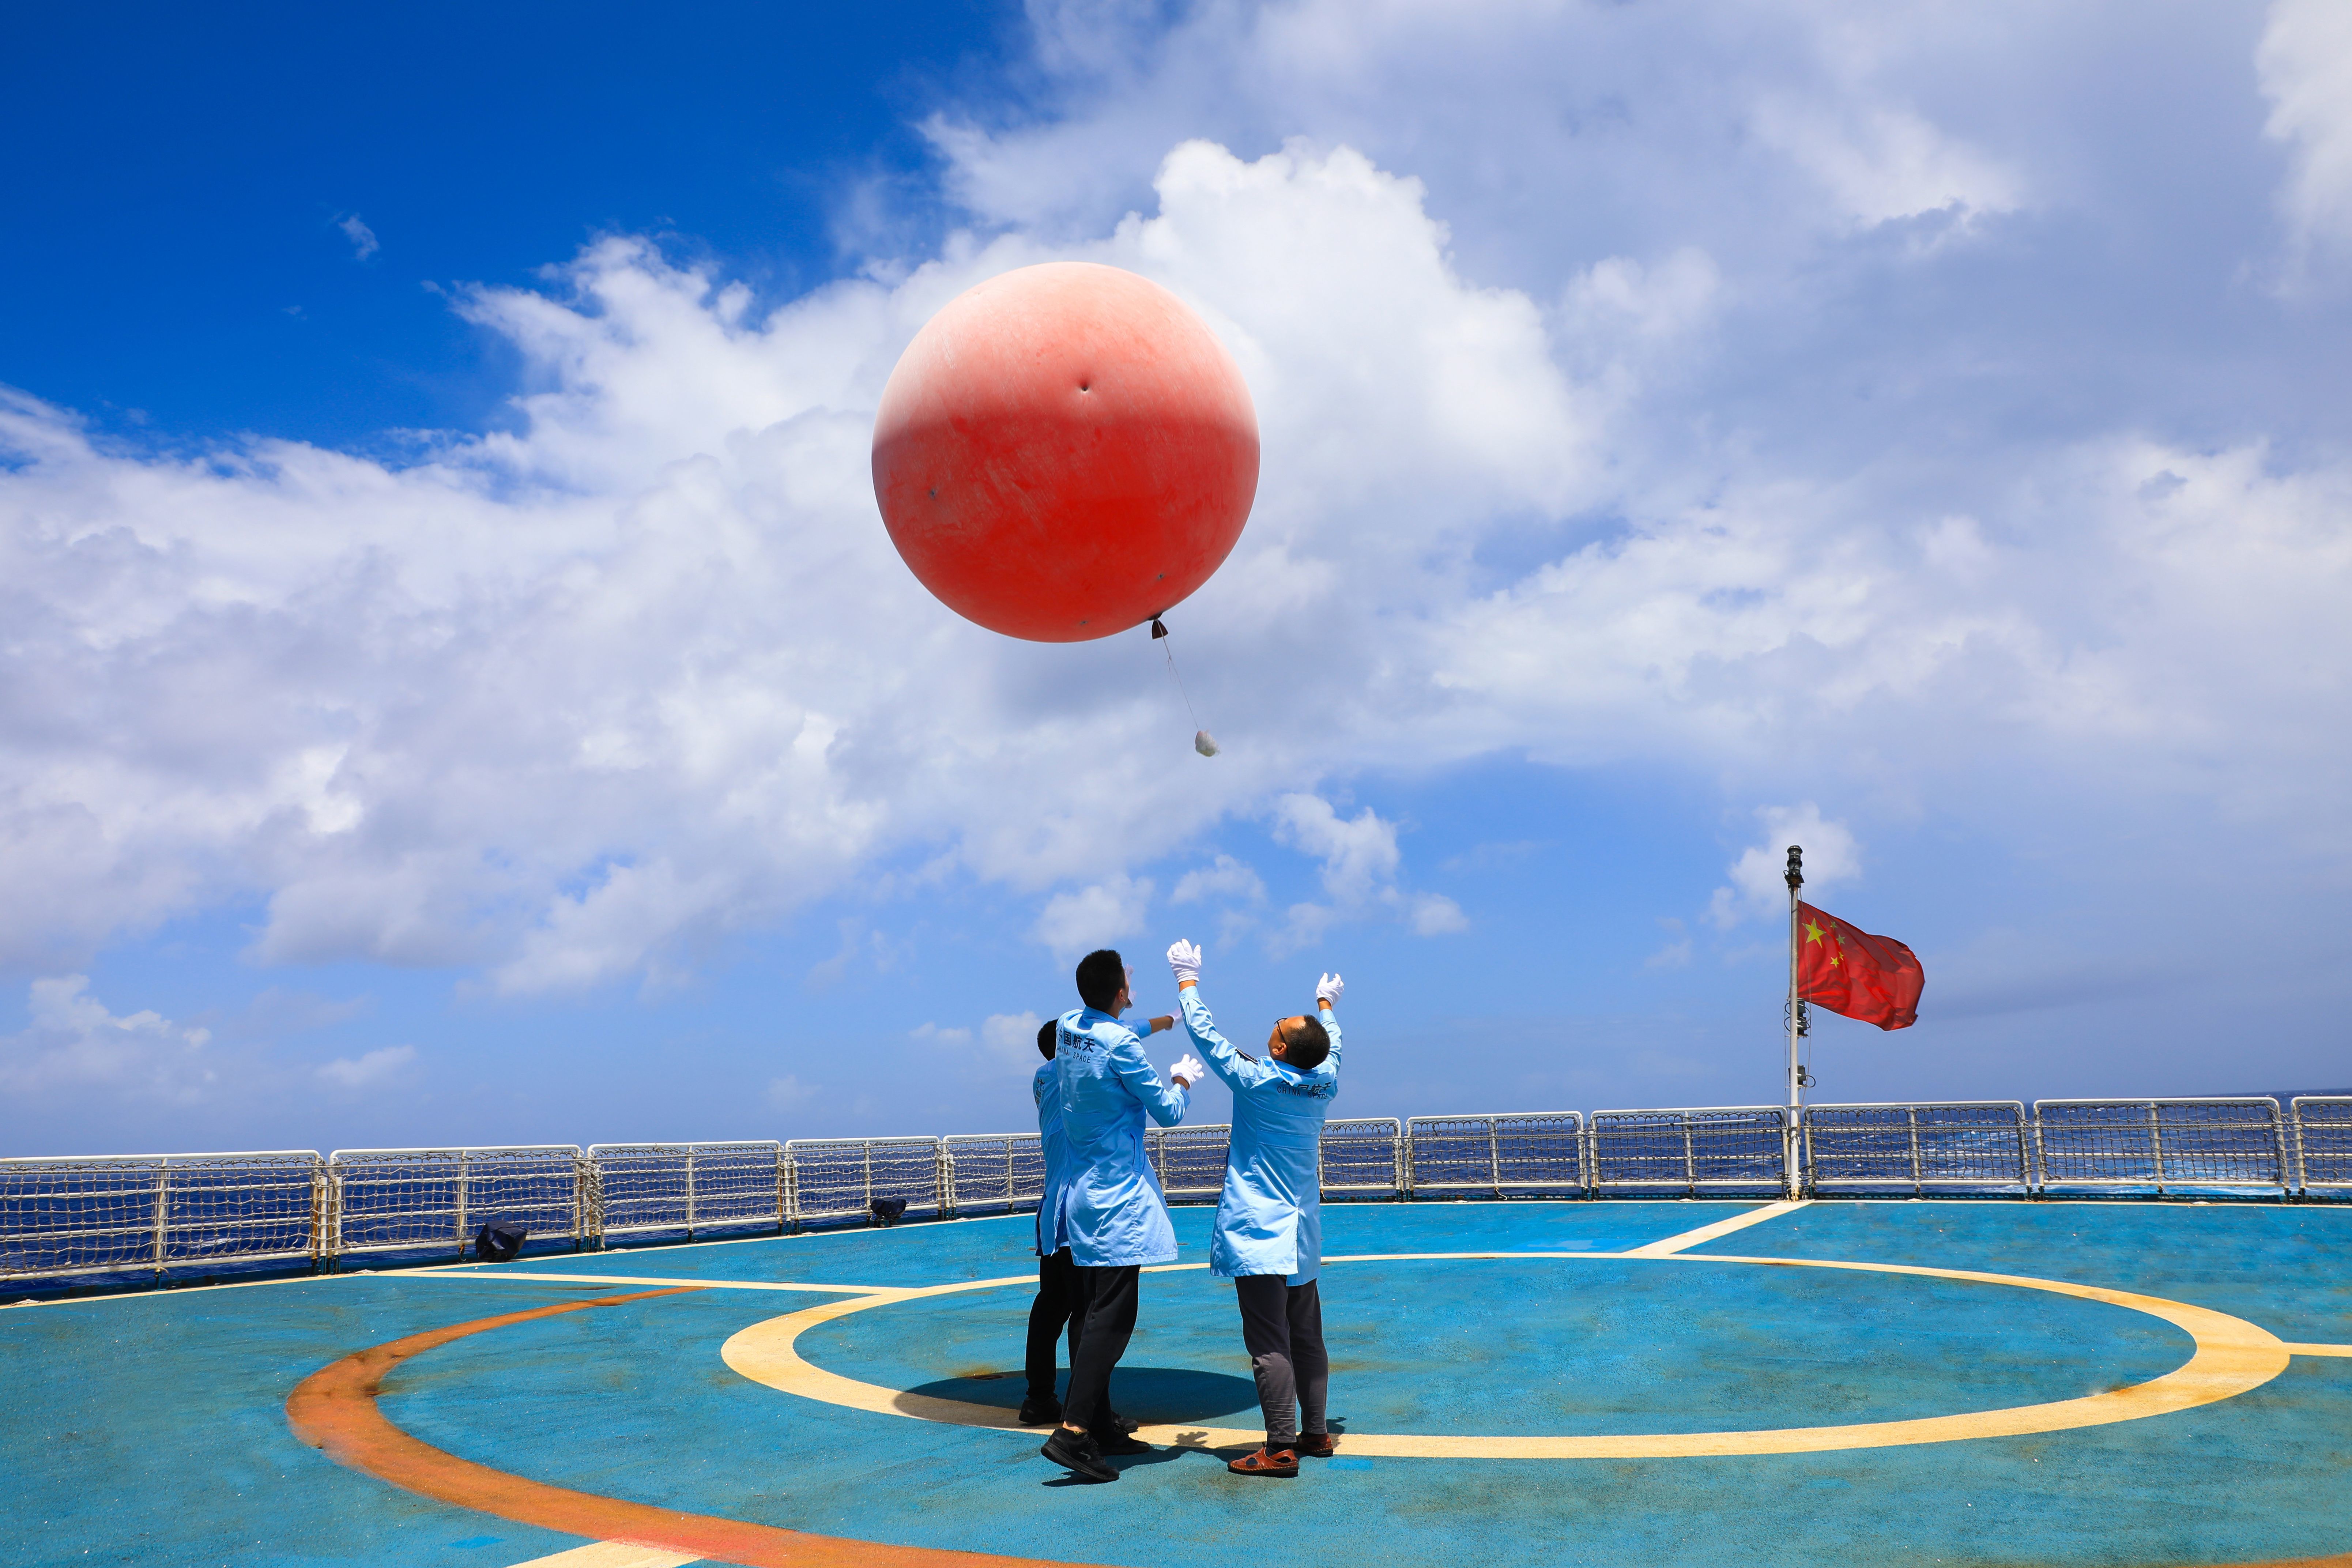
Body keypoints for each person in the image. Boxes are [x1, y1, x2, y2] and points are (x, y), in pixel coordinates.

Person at [1165, 938, 1344, 1478]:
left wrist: (1187, 980)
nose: (1272, 1028)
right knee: (1307, 1335)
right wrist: (1326, 1008)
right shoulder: (1325, 1083)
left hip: (1260, 1231)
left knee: (1269, 1343)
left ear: (1284, 1051)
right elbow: (1333, 1043)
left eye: (1279, 1029)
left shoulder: (1257, 1081)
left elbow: (1207, 1037)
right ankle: (1315, 1431)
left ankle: (1280, 1447)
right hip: (1303, 1232)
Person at [1039, 949, 1204, 1483]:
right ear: (1117, 992)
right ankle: (1073, 1432)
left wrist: (1159, 1023)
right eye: (1129, 980)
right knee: (1113, 1318)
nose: (1133, 985)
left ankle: (1101, 1427)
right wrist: (1181, 1078)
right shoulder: (1122, 1045)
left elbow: (1115, 1028)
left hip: (1080, 1194)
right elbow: (1170, 1116)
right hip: (1118, 1201)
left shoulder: (1068, 1028)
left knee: (1089, 1314)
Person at [1021, 1018, 1150, 1434]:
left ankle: (1039, 1397)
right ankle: (1091, 1414)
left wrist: (1153, 1023)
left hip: (1051, 1213)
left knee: (1050, 1307)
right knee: (1089, 1316)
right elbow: (1112, 1043)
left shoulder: (1043, 1079)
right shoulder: (1072, 1073)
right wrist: (1161, 1023)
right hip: (1081, 1215)